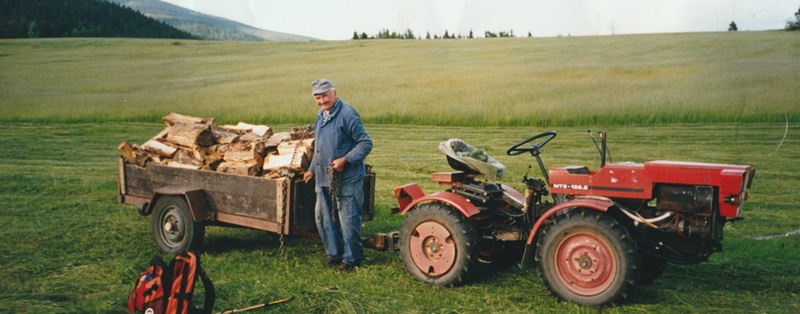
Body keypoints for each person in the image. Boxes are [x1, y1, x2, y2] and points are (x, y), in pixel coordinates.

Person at [303, 78, 373, 271]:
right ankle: (334, 253)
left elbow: (365, 143)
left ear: (334, 93)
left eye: (324, 95)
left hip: (348, 178)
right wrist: (311, 169)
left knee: (347, 219)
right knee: (324, 218)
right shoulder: (321, 115)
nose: (322, 101)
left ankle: (352, 259)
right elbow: (319, 147)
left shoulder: (348, 114)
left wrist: (345, 160)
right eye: (317, 97)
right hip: (324, 177)